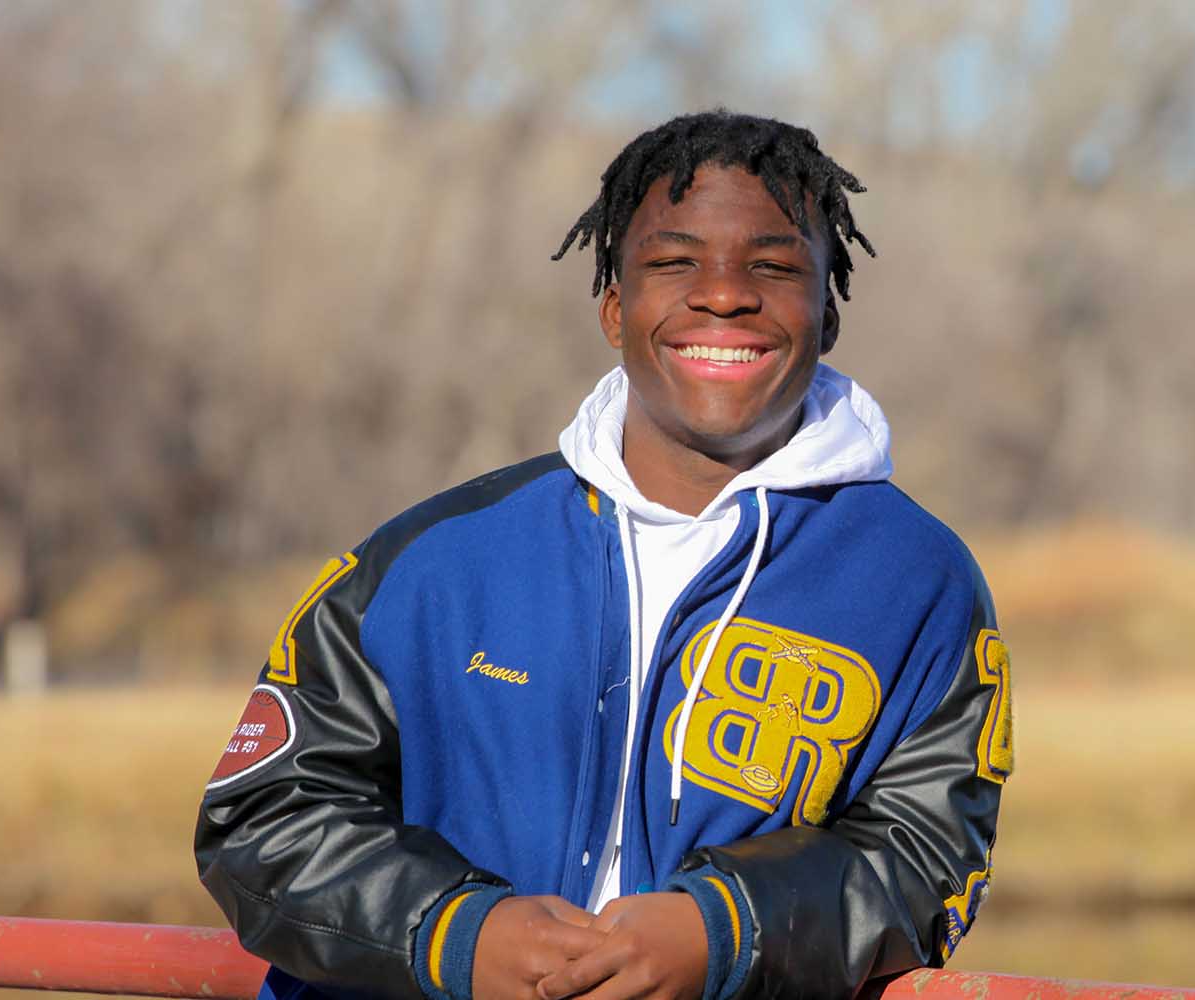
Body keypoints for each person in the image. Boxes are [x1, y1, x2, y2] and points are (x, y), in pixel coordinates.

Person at [194, 110, 1014, 1000]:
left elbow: (927, 855)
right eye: (674, 263)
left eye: (773, 267)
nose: (725, 295)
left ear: (828, 311)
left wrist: (726, 931)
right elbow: (263, 819)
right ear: (615, 307)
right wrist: (454, 934)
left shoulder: (917, 581)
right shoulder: (433, 560)